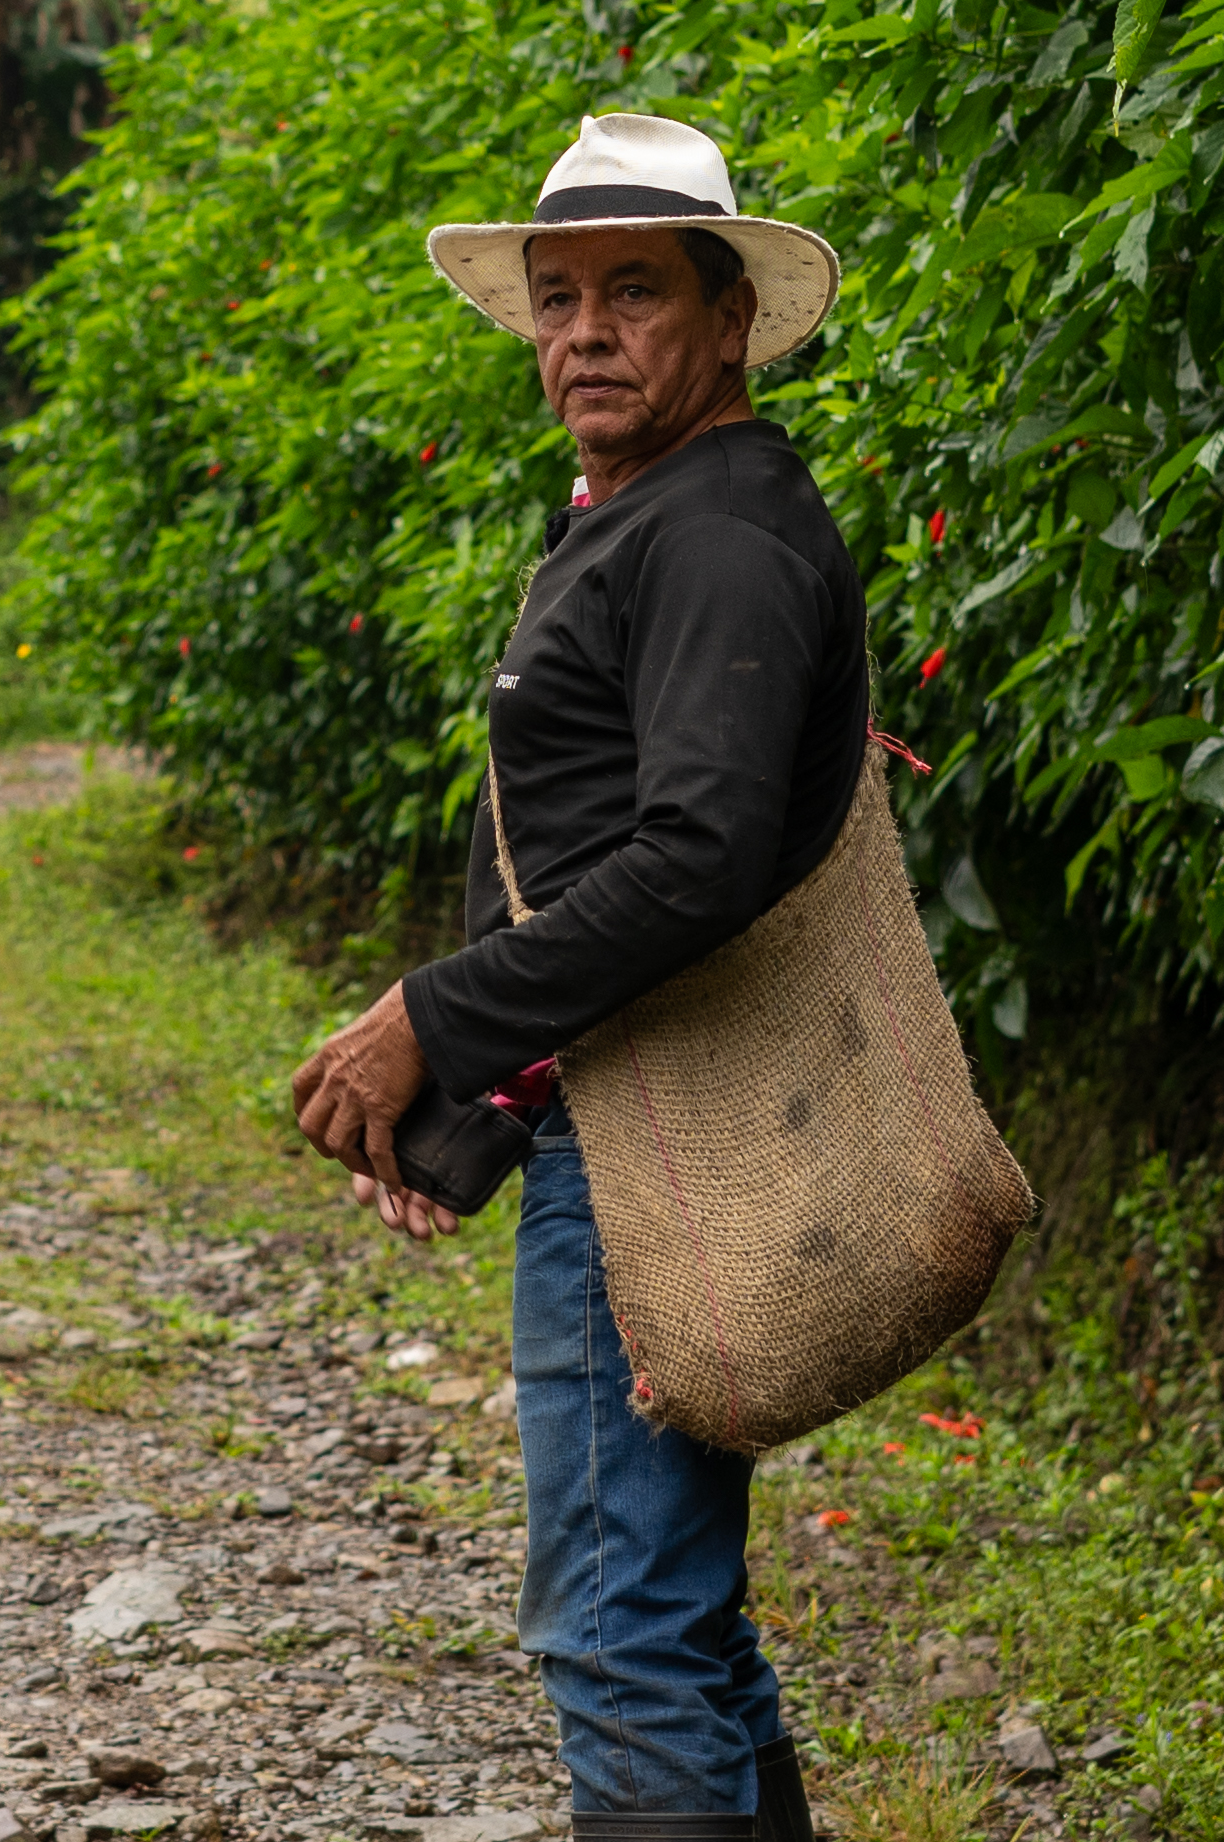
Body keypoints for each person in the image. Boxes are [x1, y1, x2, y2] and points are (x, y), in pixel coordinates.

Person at [284, 113, 864, 1842]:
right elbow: (601, 847)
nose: (585, 334)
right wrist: (469, 1115)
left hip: (650, 1168)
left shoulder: (717, 533)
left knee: (622, 1633)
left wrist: (428, 1021)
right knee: (677, 1617)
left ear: (732, 319)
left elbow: (698, 859)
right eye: (556, 299)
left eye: (632, 292)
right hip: (619, 1135)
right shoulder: (663, 512)